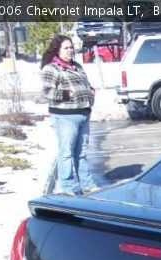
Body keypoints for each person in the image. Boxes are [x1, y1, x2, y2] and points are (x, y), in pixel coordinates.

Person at [40, 35, 97, 195]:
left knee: (82, 153)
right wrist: (67, 94)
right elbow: (47, 91)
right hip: (65, 116)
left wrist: (90, 92)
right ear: (57, 50)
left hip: (84, 113)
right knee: (66, 153)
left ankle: (87, 184)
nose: (70, 50)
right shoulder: (52, 68)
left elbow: (85, 84)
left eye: (71, 47)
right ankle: (68, 187)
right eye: (66, 48)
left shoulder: (77, 66)